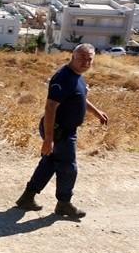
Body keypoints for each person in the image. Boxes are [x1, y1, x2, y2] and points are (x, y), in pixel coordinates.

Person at [15, 43, 108, 218]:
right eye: (82, 58)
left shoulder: (78, 76)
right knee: (68, 168)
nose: (86, 62)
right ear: (73, 56)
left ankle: (27, 198)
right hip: (59, 131)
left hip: (63, 131)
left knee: (50, 163)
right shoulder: (63, 77)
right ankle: (64, 204)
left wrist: (97, 112)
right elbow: (50, 107)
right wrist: (48, 139)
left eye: (89, 59)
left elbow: (80, 99)